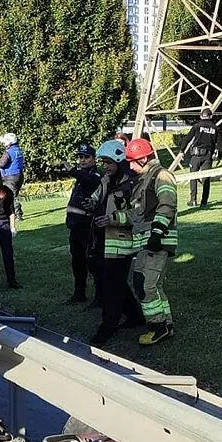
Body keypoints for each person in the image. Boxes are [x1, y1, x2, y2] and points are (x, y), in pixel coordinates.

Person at [89, 140, 145, 345]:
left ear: (120, 161)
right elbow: (98, 197)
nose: (105, 166)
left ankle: (107, 327)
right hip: (103, 238)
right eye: (103, 162)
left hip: (122, 242)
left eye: (108, 163)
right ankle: (135, 316)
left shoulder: (132, 184)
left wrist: (112, 219)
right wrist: (91, 202)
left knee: (111, 286)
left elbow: (137, 213)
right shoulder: (107, 180)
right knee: (113, 282)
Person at [126, 137, 178, 345]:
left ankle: (157, 328)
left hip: (156, 240)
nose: (129, 165)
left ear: (144, 158)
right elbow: (136, 215)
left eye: (132, 161)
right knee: (152, 285)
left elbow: (167, 205)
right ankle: (167, 325)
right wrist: (111, 219)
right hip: (146, 241)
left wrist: (157, 234)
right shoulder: (145, 179)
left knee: (145, 286)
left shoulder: (161, 175)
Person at [64, 143, 103, 304]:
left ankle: (100, 296)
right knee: (77, 262)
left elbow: (89, 181)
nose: (82, 160)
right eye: (80, 157)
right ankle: (79, 293)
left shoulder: (96, 176)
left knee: (92, 262)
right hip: (75, 225)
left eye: (86, 157)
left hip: (88, 226)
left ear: (94, 159)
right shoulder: (81, 177)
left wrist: (72, 170)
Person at [182, 107, 222, 207]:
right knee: (206, 179)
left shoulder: (197, 126)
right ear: (211, 116)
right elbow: (220, 145)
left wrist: (181, 151)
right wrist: (219, 157)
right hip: (208, 156)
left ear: (201, 116)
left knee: (193, 177)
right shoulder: (215, 128)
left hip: (196, 155)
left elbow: (187, 139)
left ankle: (193, 199)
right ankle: (204, 202)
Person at [0, 132, 25, 220]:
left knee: (11, 196)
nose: (4, 144)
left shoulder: (8, 152)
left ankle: (17, 215)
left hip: (10, 176)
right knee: (13, 195)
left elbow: (2, 164)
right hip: (19, 175)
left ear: (9, 142)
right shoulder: (18, 150)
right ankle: (15, 213)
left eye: (5, 142)